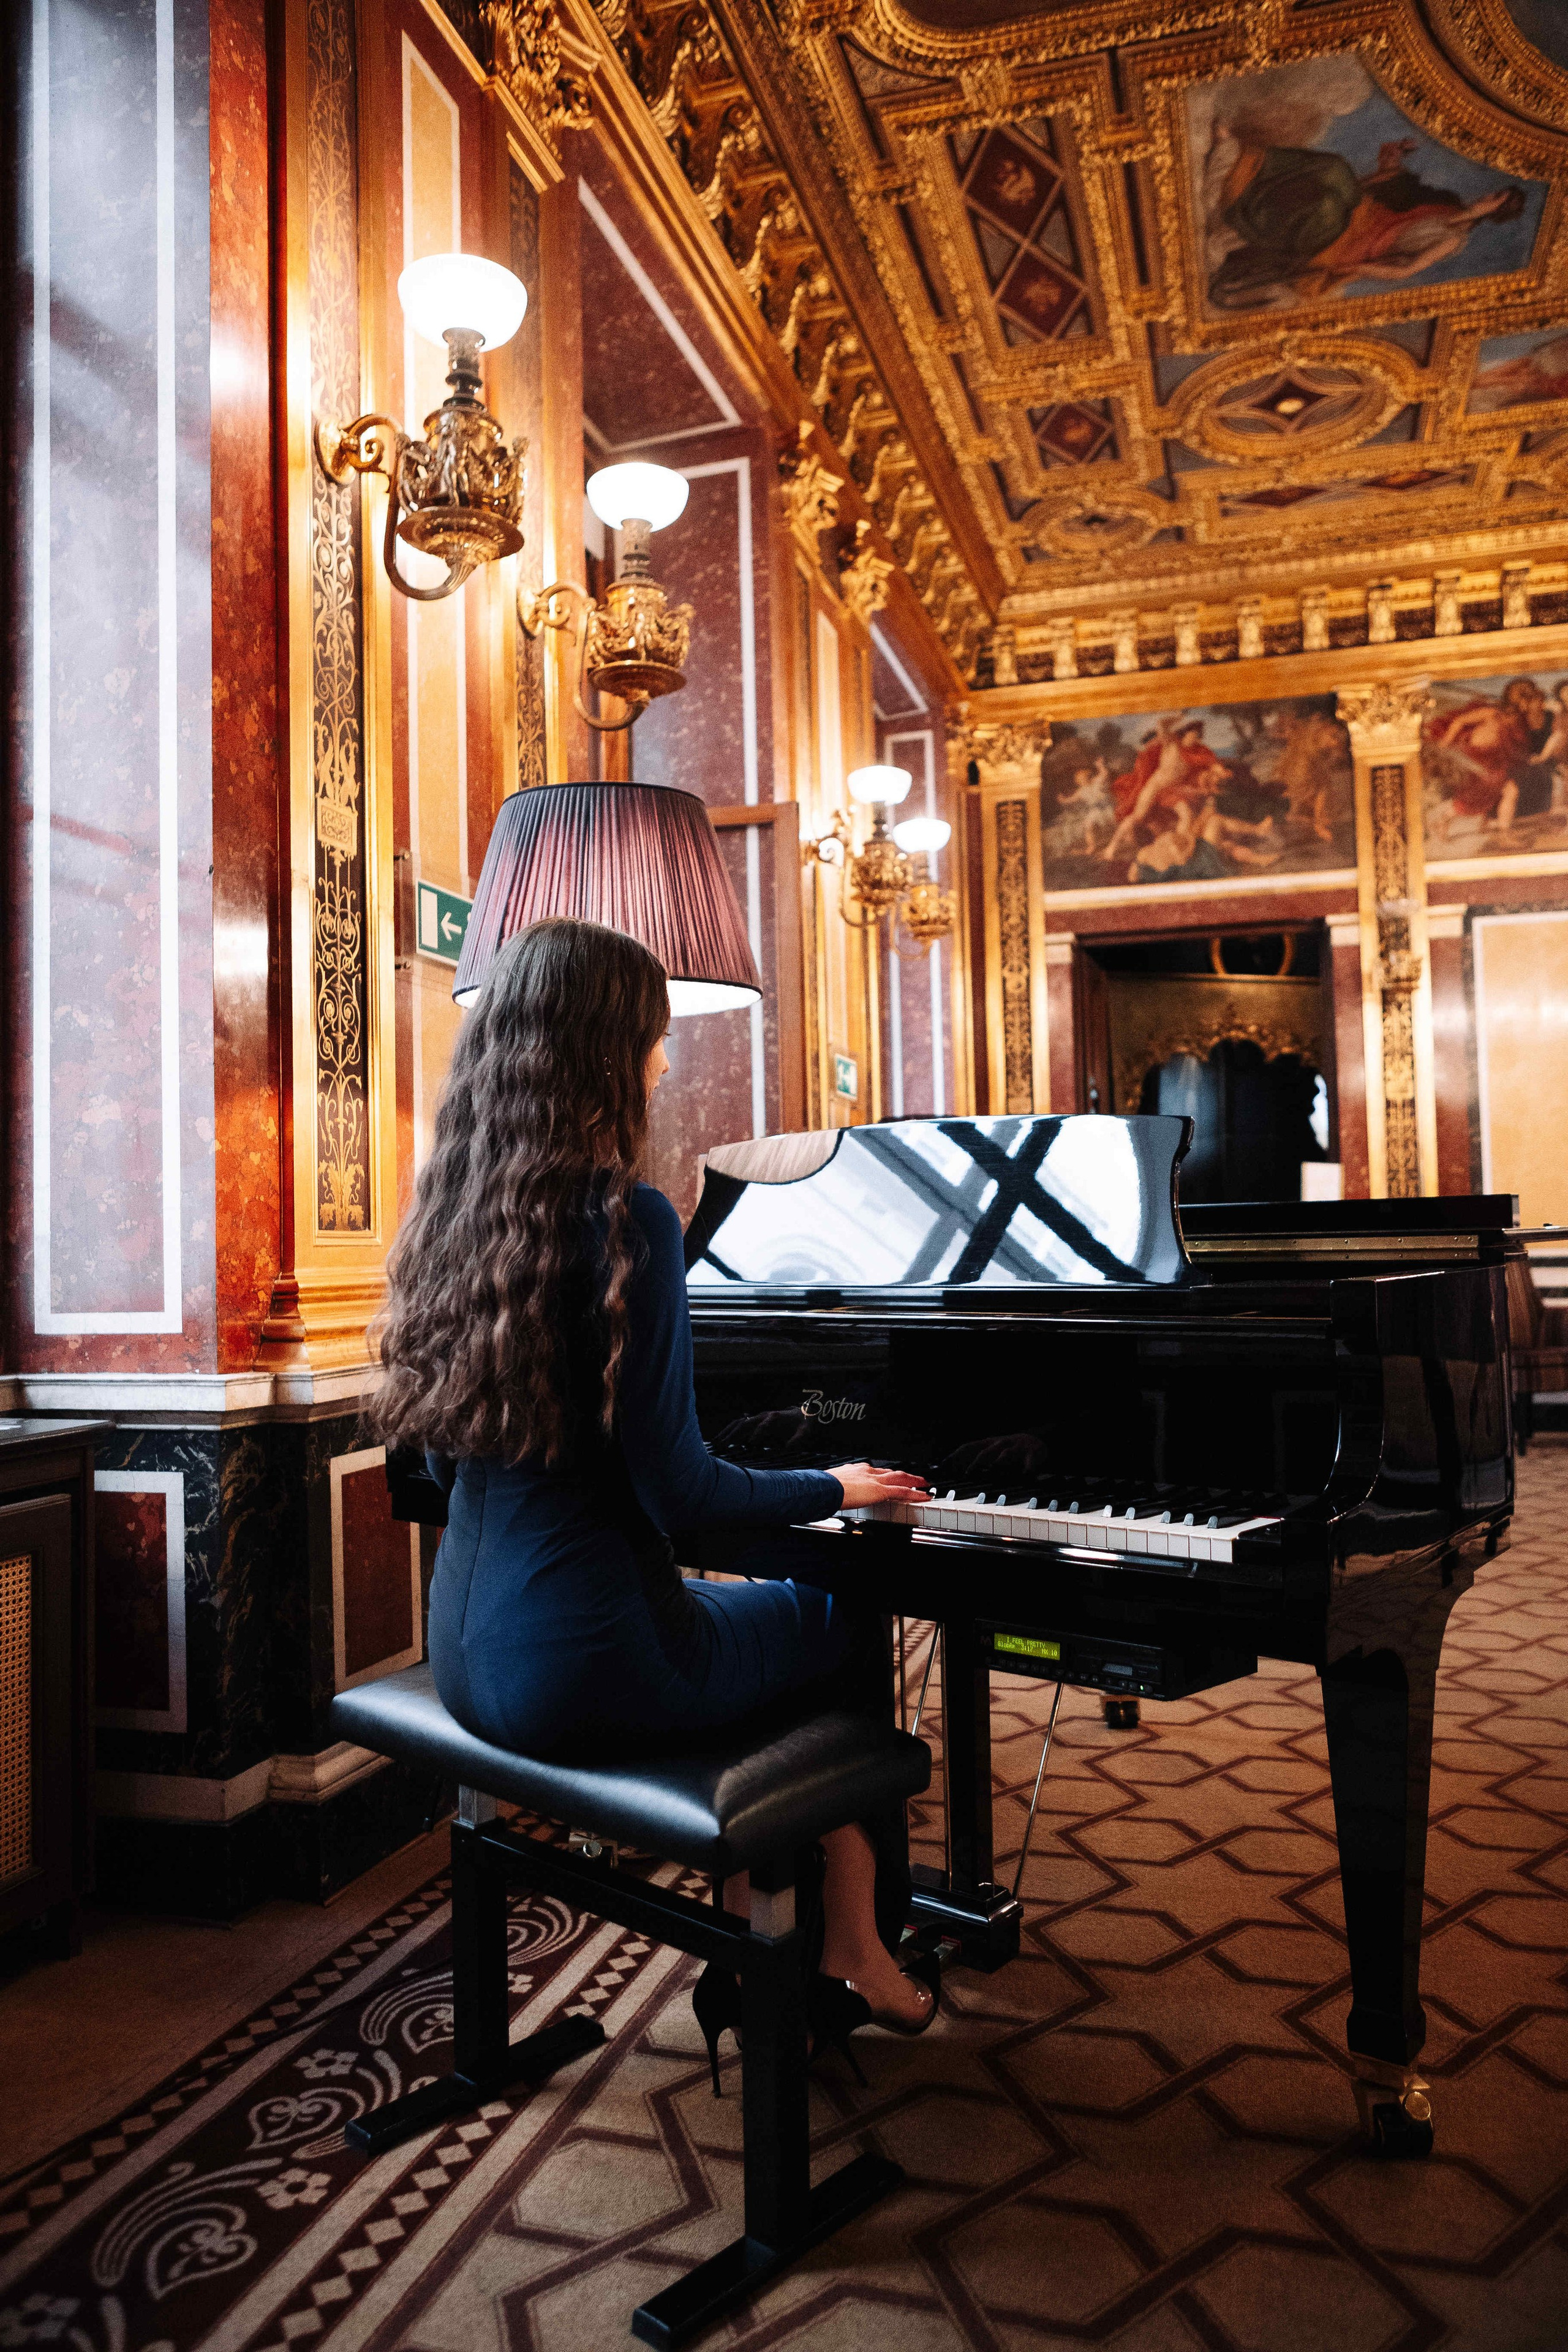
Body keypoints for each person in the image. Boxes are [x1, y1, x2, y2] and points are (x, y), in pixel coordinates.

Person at [369, 915, 937, 2081]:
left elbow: (437, 1464)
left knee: (769, 1618)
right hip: (594, 1663)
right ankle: (847, 1942)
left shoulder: (456, 1218)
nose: (665, 1064)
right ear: (602, 1049)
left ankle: (776, 1905)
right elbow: (681, 1493)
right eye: (653, 1039)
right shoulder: (631, 1221)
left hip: (469, 1652)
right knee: (835, 1616)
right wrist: (834, 1481)